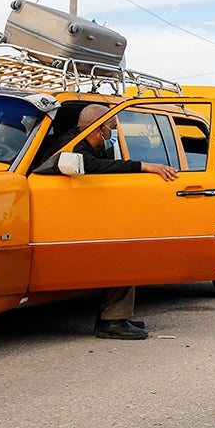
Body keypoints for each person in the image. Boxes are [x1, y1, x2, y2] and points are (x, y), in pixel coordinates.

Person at [40, 104, 179, 340]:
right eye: (112, 128)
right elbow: (92, 166)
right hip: (64, 221)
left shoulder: (78, 142)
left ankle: (117, 315)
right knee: (123, 253)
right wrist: (144, 166)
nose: (114, 134)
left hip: (78, 216)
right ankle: (112, 321)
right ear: (100, 129)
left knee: (126, 246)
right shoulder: (72, 146)